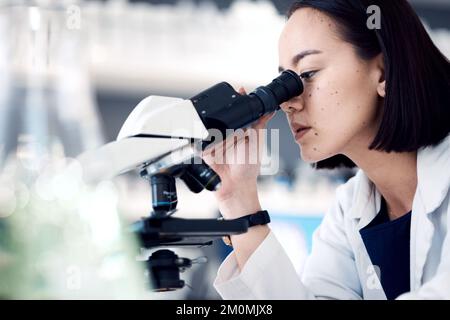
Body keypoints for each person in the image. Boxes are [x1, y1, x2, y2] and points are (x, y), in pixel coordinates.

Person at [202, 0, 450, 300]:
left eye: (307, 74)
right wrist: (238, 197)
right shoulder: (349, 212)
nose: (288, 102)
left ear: (383, 72)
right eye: (285, 82)